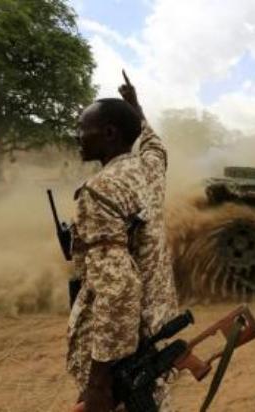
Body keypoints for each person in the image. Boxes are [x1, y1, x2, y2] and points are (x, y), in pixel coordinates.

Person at [68, 74, 178, 412]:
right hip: (156, 325)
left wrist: (99, 381)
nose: (78, 136)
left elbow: (119, 288)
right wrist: (137, 109)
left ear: (109, 133)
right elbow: (155, 146)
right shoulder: (149, 170)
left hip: (122, 350)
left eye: (83, 128)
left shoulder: (100, 190)